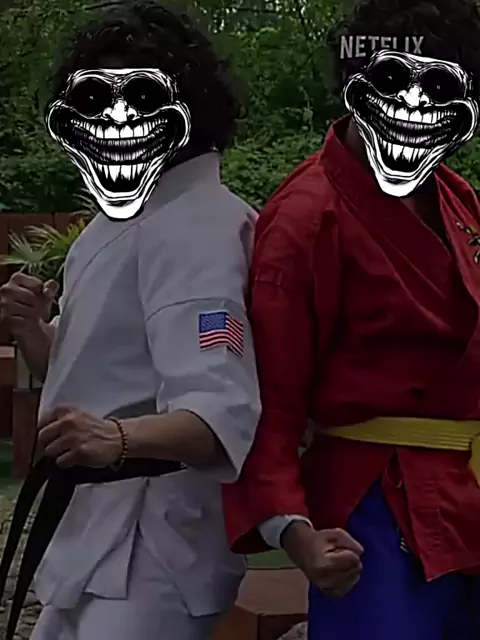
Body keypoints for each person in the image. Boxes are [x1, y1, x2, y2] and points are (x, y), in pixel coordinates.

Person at [0, 2, 261, 639]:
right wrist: (36, 333)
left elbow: (221, 414)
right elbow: (98, 381)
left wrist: (118, 440)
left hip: (154, 547)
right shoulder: (117, 222)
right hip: (92, 530)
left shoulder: (200, 228)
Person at [222, 0, 480, 638]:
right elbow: (269, 400)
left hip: (467, 497)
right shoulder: (307, 217)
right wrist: (294, 529)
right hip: (372, 511)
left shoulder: (455, 195)